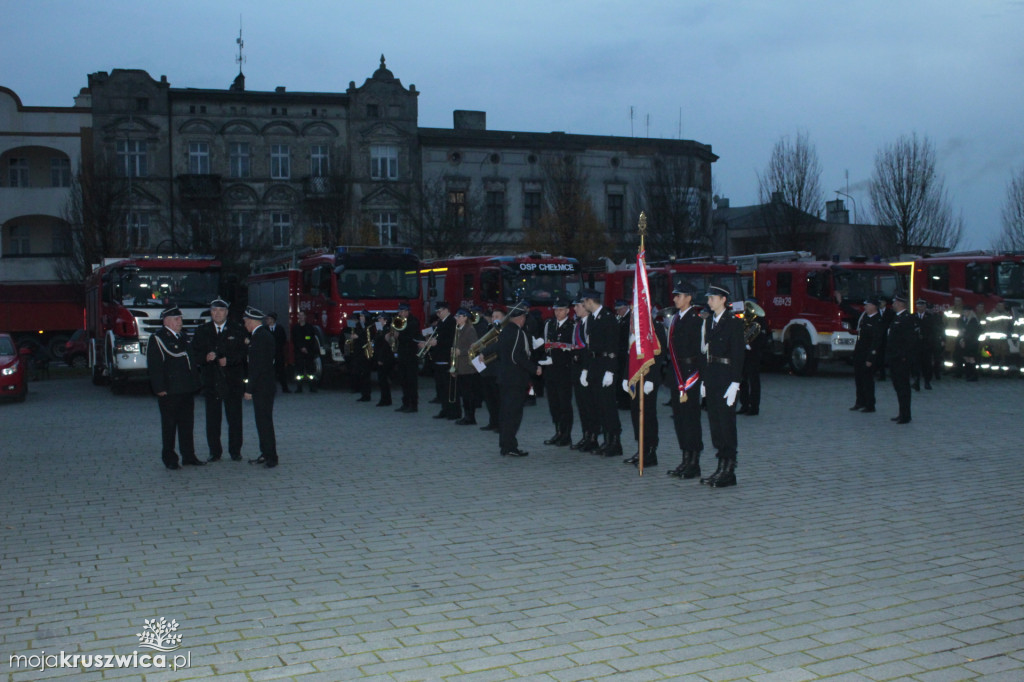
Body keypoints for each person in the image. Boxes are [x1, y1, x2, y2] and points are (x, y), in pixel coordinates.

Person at [147, 306, 203, 470]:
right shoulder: (158, 338)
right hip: (170, 390)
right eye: (177, 319)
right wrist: (159, 387)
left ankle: (189, 456)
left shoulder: (183, 337)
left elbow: (190, 361)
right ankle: (170, 458)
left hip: (186, 389)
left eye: (180, 319)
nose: (180, 322)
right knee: (169, 425)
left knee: (187, 424)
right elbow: (155, 366)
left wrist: (196, 384)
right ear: (167, 321)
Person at [699, 285, 744, 488]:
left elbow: (738, 354)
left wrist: (736, 382)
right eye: (708, 298)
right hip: (713, 375)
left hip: (726, 377)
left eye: (712, 298)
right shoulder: (710, 322)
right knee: (715, 423)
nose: (709, 301)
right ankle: (720, 465)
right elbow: (706, 354)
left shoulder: (733, 323)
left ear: (723, 299)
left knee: (726, 423)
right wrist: (703, 380)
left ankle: (729, 469)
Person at [192, 298, 246, 461]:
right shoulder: (202, 330)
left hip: (232, 381)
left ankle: (235, 451)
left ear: (227, 313)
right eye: (214, 311)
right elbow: (194, 353)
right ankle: (215, 452)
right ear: (210, 312)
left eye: (221, 310)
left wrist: (228, 360)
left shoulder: (237, 329)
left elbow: (243, 353)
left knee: (235, 419)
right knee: (213, 420)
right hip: (211, 381)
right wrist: (205, 357)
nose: (217, 314)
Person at [666, 280, 705, 478]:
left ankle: (694, 461)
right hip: (676, 372)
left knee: (691, 419)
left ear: (689, 298)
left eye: (678, 295)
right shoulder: (675, 320)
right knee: (679, 419)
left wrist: (702, 379)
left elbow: (700, 352)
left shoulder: (696, 321)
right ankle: (684, 458)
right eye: (675, 295)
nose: (674, 298)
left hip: (690, 374)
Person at [622, 311, 667, 469]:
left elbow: (659, 355)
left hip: (648, 378)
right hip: (636, 376)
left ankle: (650, 451)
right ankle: (641, 448)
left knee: (647, 414)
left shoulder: (655, 328)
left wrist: (652, 379)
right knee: (636, 413)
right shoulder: (635, 328)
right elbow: (630, 354)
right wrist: (626, 376)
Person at [580, 289, 622, 457]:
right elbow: (589, 347)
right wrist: (585, 369)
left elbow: (613, 346)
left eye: (584, 302)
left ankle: (615, 442)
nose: (583, 305)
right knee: (599, 405)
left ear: (591, 301)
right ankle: (606, 440)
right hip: (595, 365)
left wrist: (610, 371)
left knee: (608, 406)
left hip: (605, 365)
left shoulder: (608, 318)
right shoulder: (592, 318)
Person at [497, 304, 541, 457]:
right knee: (513, 414)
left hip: (504, 378)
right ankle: (510, 445)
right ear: (521, 318)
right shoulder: (517, 333)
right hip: (515, 379)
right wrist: (533, 368)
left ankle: (504, 444)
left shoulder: (504, 331)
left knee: (505, 412)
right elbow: (517, 356)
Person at [243, 306, 278, 467]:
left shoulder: (259, 337)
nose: (244, 324)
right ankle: (265, 452)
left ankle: (271, 456)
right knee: (262, 421)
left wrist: (249, 389)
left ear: (251, 321)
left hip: (262, 387)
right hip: (265, 385)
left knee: (264, 422)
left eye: (245, 321)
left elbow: (256, 366)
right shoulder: (262, 335)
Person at [540, 298, 574, 447]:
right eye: (555, 310)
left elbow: (573, 347)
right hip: (550, 370)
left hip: (564, 370)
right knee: (553, 403)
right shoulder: (550, 324)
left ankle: (566, 434)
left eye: (560, 310)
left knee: (564, 403)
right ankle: (558, 431)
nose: (557, 312)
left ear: (567, 310)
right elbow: (547, 344)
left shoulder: (572, 326)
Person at [569, 297, 598, 451]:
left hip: (588, 369)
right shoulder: (578, 324)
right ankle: (586, 434)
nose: (575, 309)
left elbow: (590, 348)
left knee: (590, 404)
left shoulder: (592, 323)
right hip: (577, 368)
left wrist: (586, 369)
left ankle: (593, 437)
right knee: (581, 404)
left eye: (578, 306)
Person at [423, 301, 457, 419]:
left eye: (440, 311)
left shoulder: (452, 321)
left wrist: (437, 342)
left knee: (449, 388)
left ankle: (453, 411)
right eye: (437, 312)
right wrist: (427, 342)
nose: (438, 314)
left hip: (446, 358)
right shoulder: (441, 323)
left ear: (447, 310)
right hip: (439, 358)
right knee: (441, 387)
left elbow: (452, 339)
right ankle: (445, 409)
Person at [887, 294, 917, 424]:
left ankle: (906, 415)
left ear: (900, 304)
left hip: (901, 359)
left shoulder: (907, 318)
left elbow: (910, 341)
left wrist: (904, 356)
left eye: (894, 303)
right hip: (895, 358)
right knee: (898, 387)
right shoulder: (897, 317)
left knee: (903, 387)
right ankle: (902, 412)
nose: (892, 305)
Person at [851, 297, 884, 413]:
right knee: (859, 379)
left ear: (874, 306)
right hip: (859, 353)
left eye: (867, 305)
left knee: (868, 381)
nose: (865, 307)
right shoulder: (865, 317)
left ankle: (870, 405)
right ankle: (860, 402)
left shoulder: (878, 321)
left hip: (868, 355)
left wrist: (871, 358)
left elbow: (876, 342)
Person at [737, 299, 767, 416]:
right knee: (742, 380)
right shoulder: (744, 319)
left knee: (754, 381)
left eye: (748, 306)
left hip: (753, 354)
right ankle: (744, 404)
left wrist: (750, 345)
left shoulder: (760, 320)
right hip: (743, 354)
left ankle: (754, 407)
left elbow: (762, 338)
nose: (746, 309)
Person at [450, 308, 480, 424]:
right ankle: (466, 415)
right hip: (460, 366)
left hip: (468, 367)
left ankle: (470, 417)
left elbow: (474, 347)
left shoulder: (470, 330)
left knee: (468, 394)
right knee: (464, 393)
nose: (456, 318)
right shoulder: (458, 329)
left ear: (465, 318)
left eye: (459, 316)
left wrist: (461, 352)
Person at [392, 302, 421, 413]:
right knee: (403, 380)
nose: (401, 313)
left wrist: (399, 335)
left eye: (403, 311)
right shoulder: (399, 321)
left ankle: (413, 405)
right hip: (402, 353)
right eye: (400, 311)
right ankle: (405, 403)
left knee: (411, 380)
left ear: (408, 311)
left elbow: (412, 337)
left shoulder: (413, 321)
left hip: (411, 354)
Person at [478, 307, 504, 431]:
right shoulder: (489, 329)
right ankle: (492, 422)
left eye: (497, 316)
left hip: (498, 369)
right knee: (489, 399)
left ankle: (501, 424)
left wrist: (485, 351)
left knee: (498, 399)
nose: (494, 319)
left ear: (503, 318)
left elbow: (499, 346)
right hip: (487, 369)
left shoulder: (504, 330)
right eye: (493, 317)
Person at [348, 311, 373, 402]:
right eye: (360, 316)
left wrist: (357, 337)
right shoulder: (359, 326)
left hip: (365, 352)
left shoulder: (368, 326)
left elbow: (367, 338)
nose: (361, 318)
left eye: (362, 316)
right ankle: (363, 393)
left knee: (366, 374)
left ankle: (366, 394)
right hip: (358, 352)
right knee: (360, 373)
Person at [371, 312, 396, 406]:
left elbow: (385, 347)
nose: (378, 320)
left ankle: (385, 400)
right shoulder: (380, 330)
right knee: (381, 380)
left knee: (383, 380)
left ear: (385, 320)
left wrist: (381, 359)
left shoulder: (387, 331)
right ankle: (385, 399)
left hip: (385, 358)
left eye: (380, 319)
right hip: (380, 356)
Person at [914, 298, 939, 390]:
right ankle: (916, 381)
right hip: (916, 345)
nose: (920, 307)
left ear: (925, 307)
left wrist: (930, 341)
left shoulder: (930, 317)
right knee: (916, 364)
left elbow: (934, 331)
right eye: (918, 305)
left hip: (927, 344)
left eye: (922, 306)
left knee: (927, 364)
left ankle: (927, 381)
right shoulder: (913, 317)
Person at [265, 312, 291, 393]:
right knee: (269, 372)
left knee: (281, 371)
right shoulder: (264, 329)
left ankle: (285, 388)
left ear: (273, 320)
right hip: (268, 354)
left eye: (268, 319)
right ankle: (271, 389)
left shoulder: (280, 328)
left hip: (278, 353)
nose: (267, 320)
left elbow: (283, 339)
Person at [614, 299, 632, 410]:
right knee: (620, 377)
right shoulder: (622, 318)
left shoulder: (629, 318)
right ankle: (621, 400)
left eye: (619, 309)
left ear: (625, 307)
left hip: (625, 352)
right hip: (620, 353)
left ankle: (625, 402)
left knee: (624, 377)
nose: (617, 312)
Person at [961, 304, 982, 382]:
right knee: (967, 358)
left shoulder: (973, 320)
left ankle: (973, 375)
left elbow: (971, 333)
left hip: (971, 342)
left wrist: (964, 338)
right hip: (969, 341)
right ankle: (969, 374)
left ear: (970, 312)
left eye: (966, 312)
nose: (964, 313)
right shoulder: (967, 320)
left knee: (971, 359)